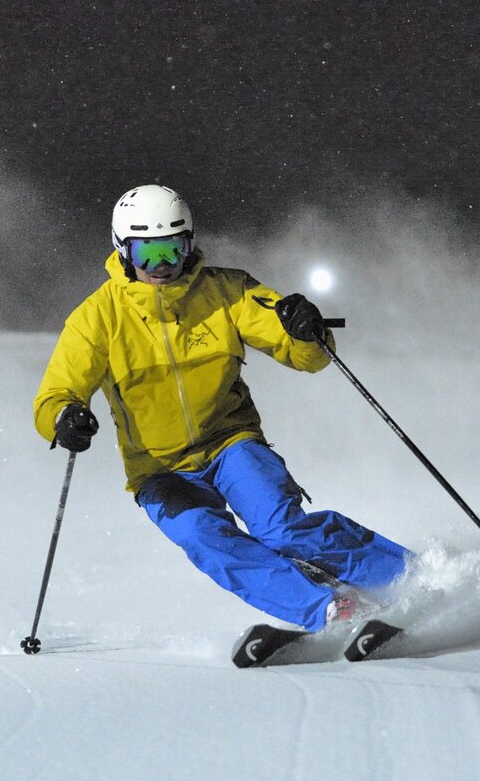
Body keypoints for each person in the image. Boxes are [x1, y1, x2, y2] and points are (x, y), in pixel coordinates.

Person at [33, 183, 409, 646]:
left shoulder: (227, 292)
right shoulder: (97, 318)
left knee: (281, 528)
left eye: (173, 249)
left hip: (231, 443)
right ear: (123, 250)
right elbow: (55, 393)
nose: (162, 266)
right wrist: (64, 418)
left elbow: (306, 356)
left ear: (189, 244)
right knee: (204, 538)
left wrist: (304, 330)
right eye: (148, 253)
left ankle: (408, 577)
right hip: (160, 470)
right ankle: (327, 609)